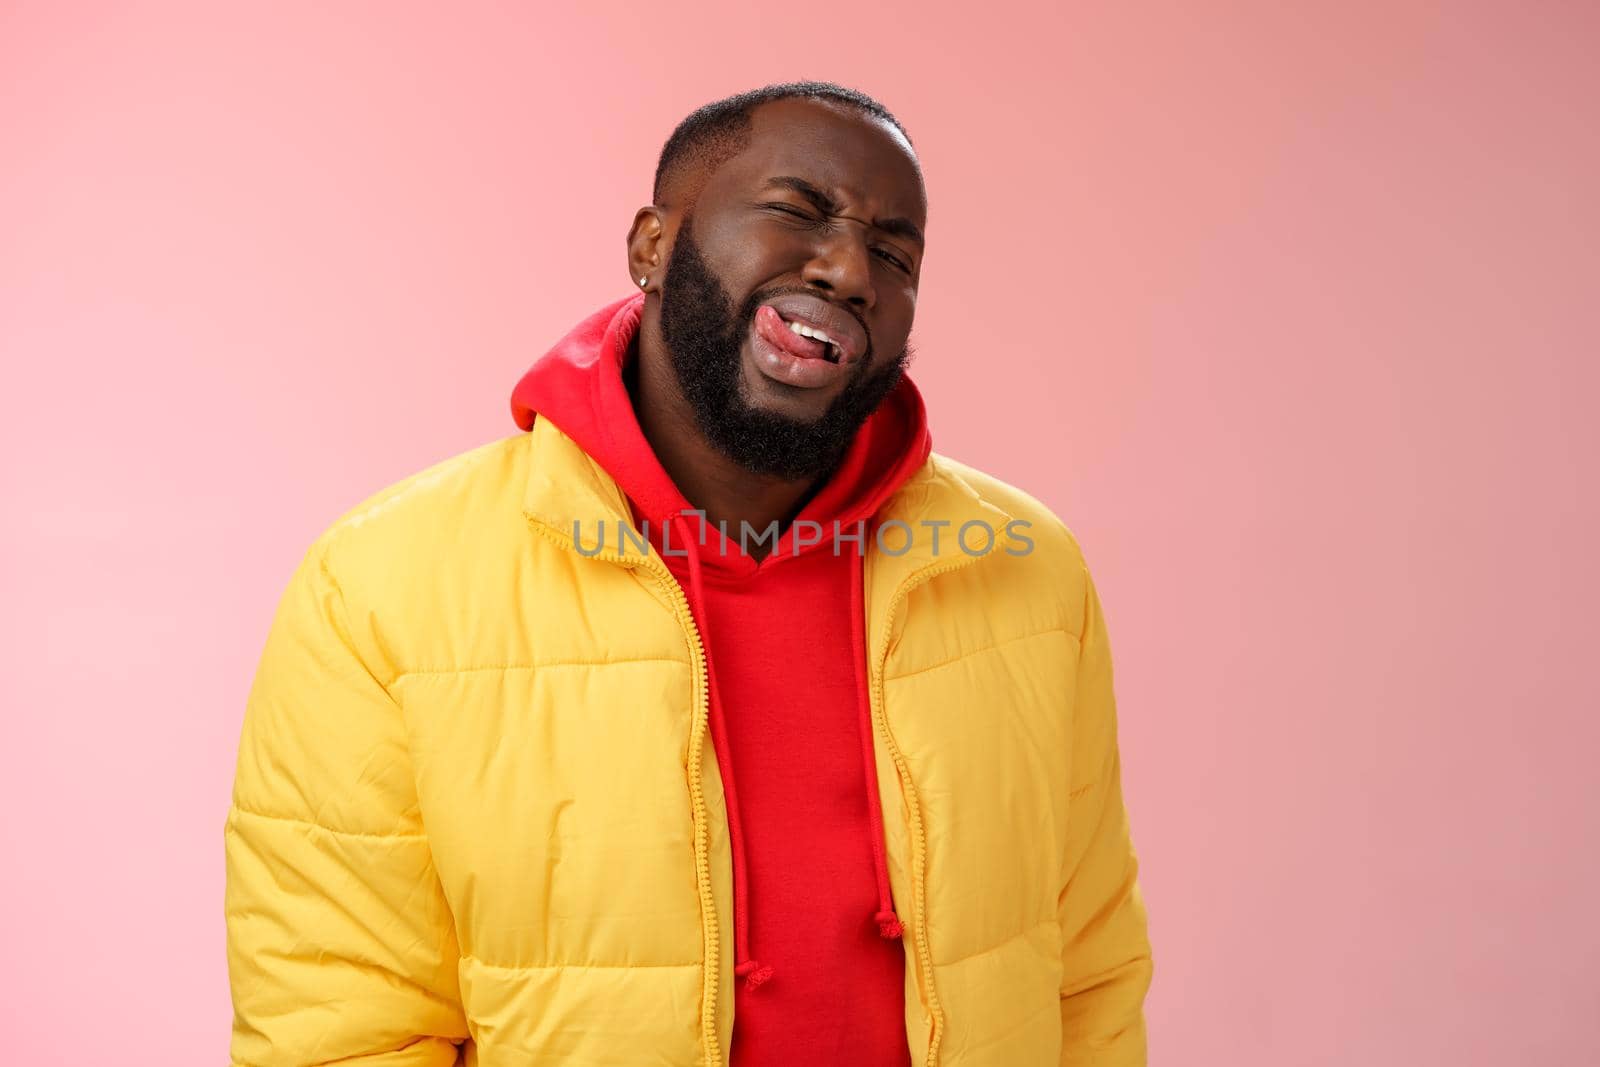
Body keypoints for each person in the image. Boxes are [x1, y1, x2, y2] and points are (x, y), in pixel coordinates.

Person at [224, 80, 1153, 1067]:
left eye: (894, 252)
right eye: (797, 211)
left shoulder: (1027, 571)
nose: (848, 268)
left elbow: (1088, 971)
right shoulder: (380, 583)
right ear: (651, 247)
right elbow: (338, 1023)